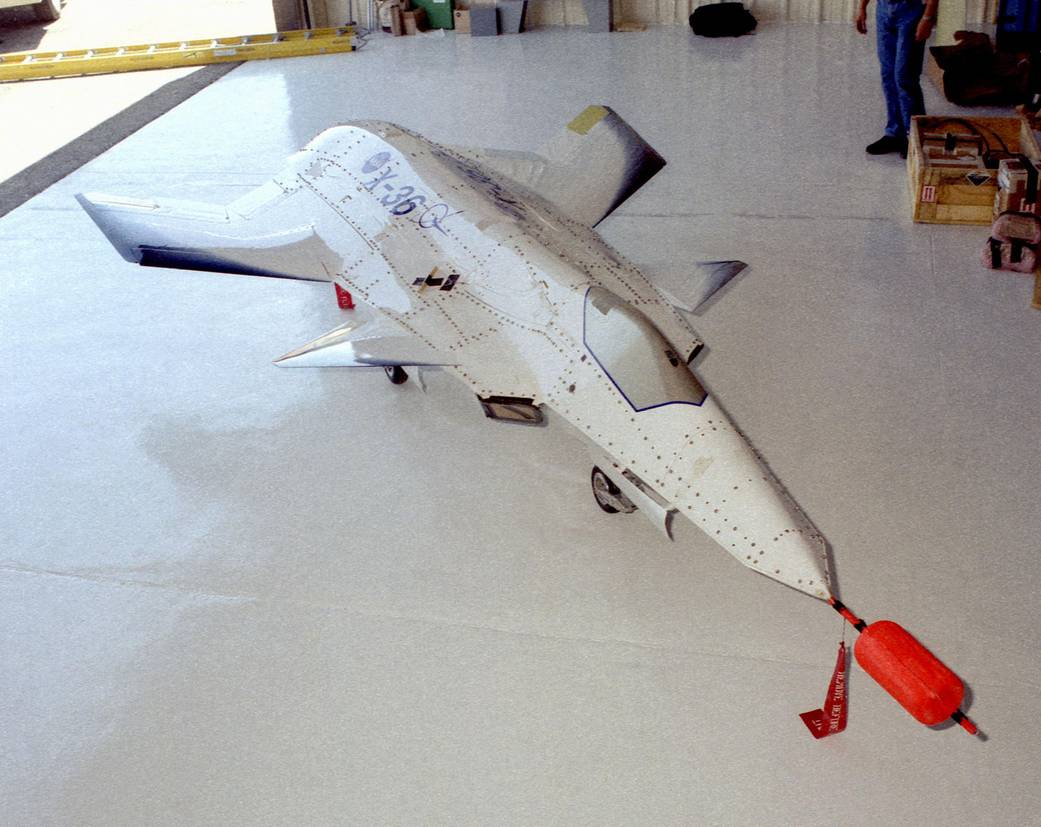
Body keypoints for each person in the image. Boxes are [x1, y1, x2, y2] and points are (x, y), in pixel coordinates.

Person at [856, 0, 938, 157]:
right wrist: (862, 7)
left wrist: (928, 17)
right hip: (884, 10)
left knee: (905, 76)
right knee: (888, 75)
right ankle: (895, 133)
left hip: (911, 10)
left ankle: (914, 136)